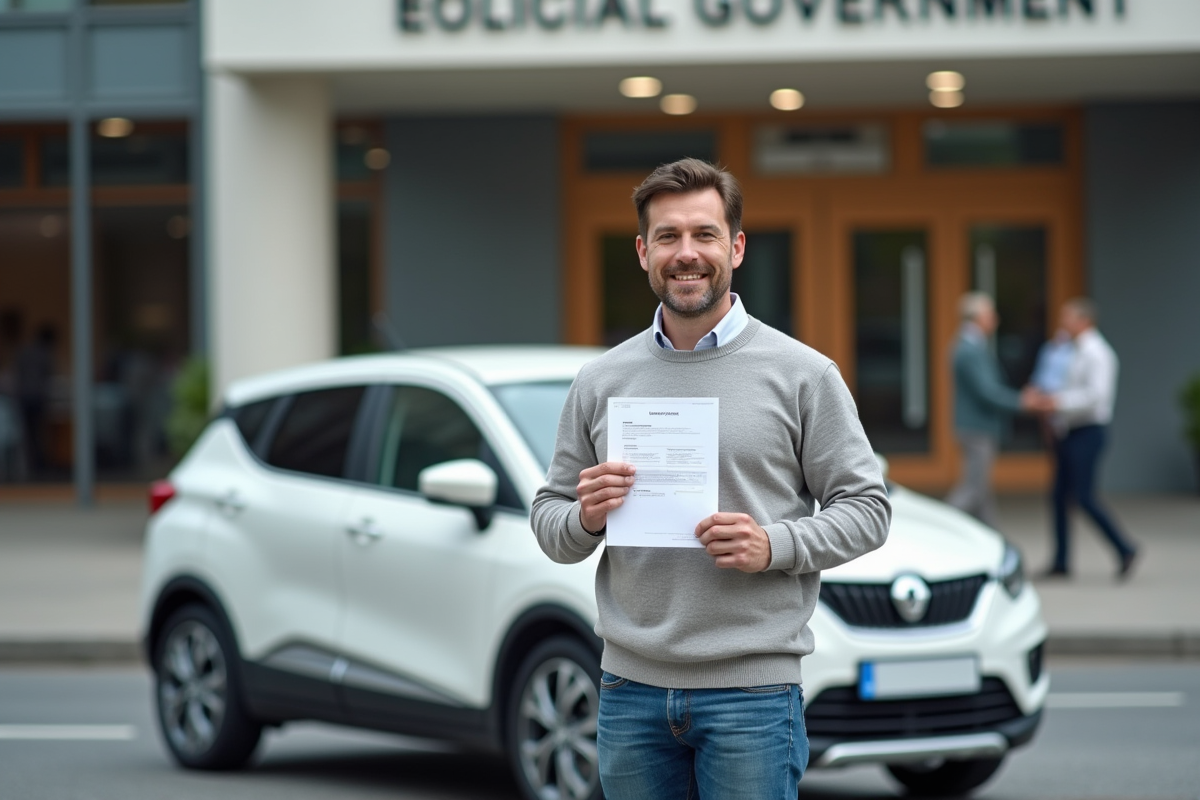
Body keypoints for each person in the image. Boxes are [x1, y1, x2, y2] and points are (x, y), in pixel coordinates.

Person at [530, 159, 891, 799]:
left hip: (752, 694)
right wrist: (585, 518)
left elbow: (867, 507)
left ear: (737, 247)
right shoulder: (600, 381)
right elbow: (550, 521)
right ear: (643, 252)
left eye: (705, 234)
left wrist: (775, 545)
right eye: (668, 236)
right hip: (629, 691)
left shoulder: (804, 375)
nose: (686, 253)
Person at [1031, 298, 1138, 579]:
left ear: (1084, 321)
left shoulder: (1097, 353)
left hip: (1087, 432)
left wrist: (1057, 403)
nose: (1062, 323)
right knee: (1058, 498)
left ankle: (1125, 548)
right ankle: (1061, 561)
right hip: (1069, 432)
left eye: (1068, 318)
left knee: (1083, 496)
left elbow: (1095, 397)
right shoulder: (1074, 350)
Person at [946, 292, 1038, 529]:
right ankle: (940, 526)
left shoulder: (973, 345)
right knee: (974, 490)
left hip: (977, 426)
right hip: (977, 427)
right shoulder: (968, 348)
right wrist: (1022, 402)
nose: (995, 319)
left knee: (982, 494)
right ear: (976, 317)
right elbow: (987, 391)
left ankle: (994, 542)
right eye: (990, 314)